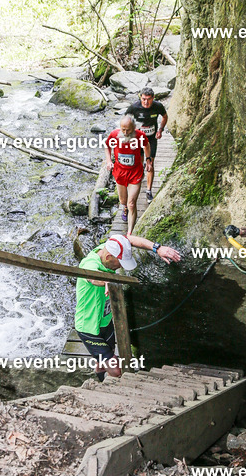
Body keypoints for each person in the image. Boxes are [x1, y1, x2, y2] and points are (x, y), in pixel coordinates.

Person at [75, 233, 181, 378]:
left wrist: (157, 248)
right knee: (116, 370)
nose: (120, 266)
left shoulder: (108, 247)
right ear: (108, 258)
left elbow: (129, 239)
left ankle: (99, 378)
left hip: (105, 321)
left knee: (105, 358)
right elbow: (91, 276)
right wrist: (106, 281)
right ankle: (108, 386)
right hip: (88, 326)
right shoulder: (89, 264)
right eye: (119, 263)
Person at [105, 114, 149, 235]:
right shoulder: (114, 135)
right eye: (123, 129)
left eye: (128, 130)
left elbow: (146, 145)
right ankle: (124, 207)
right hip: (120, 172)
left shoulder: (140, 135)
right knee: (123, 201)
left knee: (131, 203)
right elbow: (107, 146)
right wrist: (109, 161)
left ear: (134, 127)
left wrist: (148, 159)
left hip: (135, 173)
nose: (125, 132)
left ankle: (129, 232)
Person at [126, 87, 169, 202]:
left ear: (153, 98)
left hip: (151, 139)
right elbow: (125, 121)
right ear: (140, 97)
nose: (146, 102)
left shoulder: (158, 106)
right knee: (140, 163)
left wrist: (160, 130)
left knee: (150, 164)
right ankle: (139, 180)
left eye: (149, 99)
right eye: (144, 99)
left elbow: (165, 116)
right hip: (138, 139)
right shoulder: (134, 107)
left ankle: (149, 190)